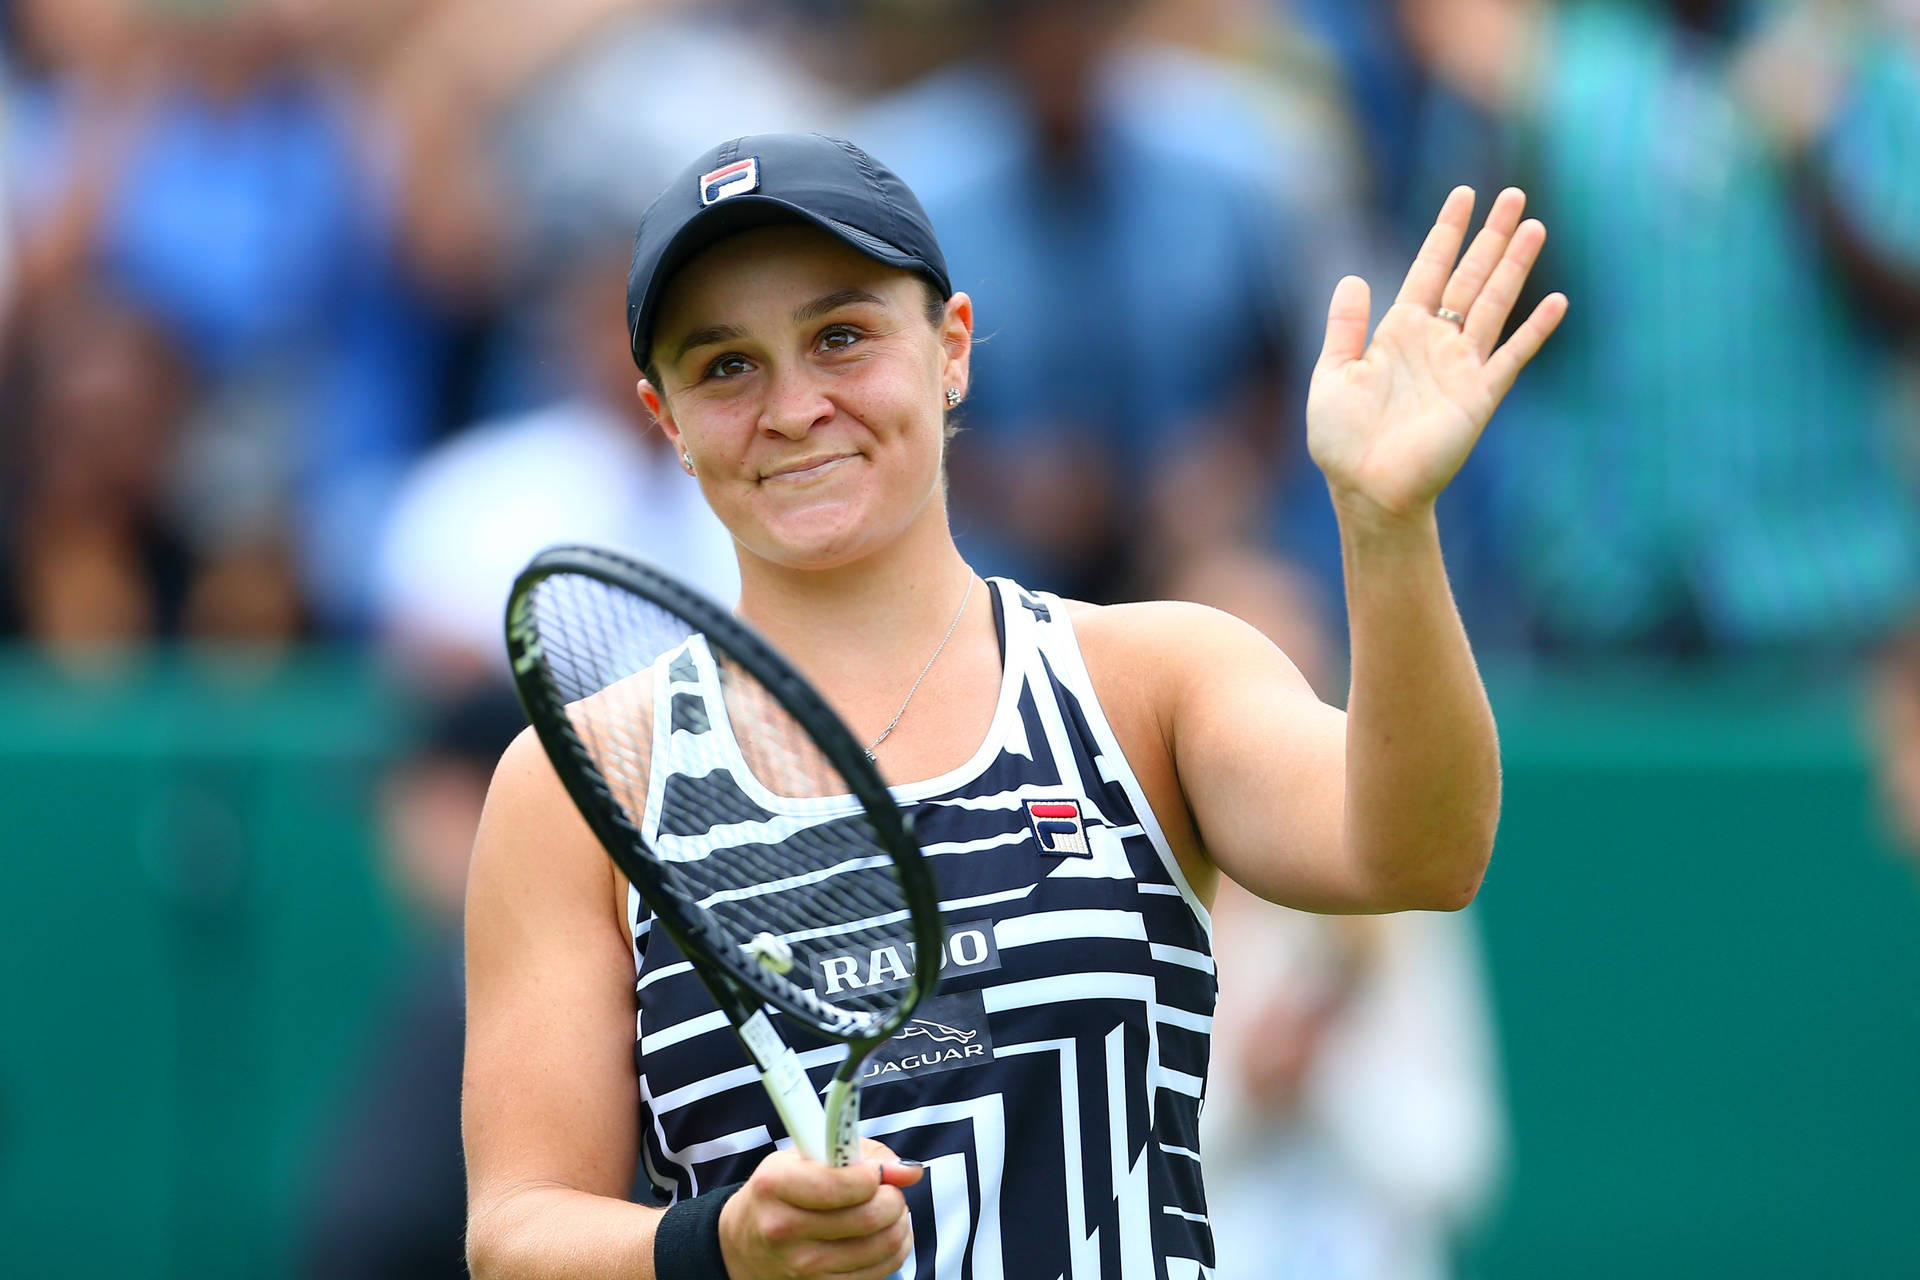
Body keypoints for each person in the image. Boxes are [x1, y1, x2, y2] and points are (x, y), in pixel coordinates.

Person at [461, 132, 1565, 1279]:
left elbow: (1422, 853)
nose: (792, 406)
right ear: (665, 416)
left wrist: (1387, 525)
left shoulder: (1154, 678)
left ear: (952, 349)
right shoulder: (576, 783)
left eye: (841, 336)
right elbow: (518, 1230)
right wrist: (722, 1242)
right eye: (724, 365)